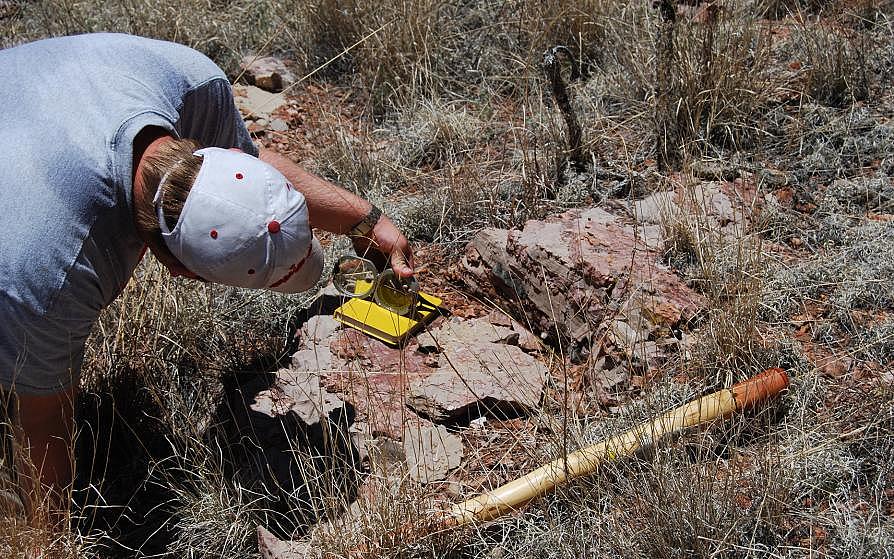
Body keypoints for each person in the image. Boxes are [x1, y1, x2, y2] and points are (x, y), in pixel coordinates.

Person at [0, 33, 414, 518]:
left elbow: (247, 165)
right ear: (181, 271)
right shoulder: (51, 275)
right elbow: (40, 420)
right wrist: (48, 539)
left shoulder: (193, 84)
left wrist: (364, 220)